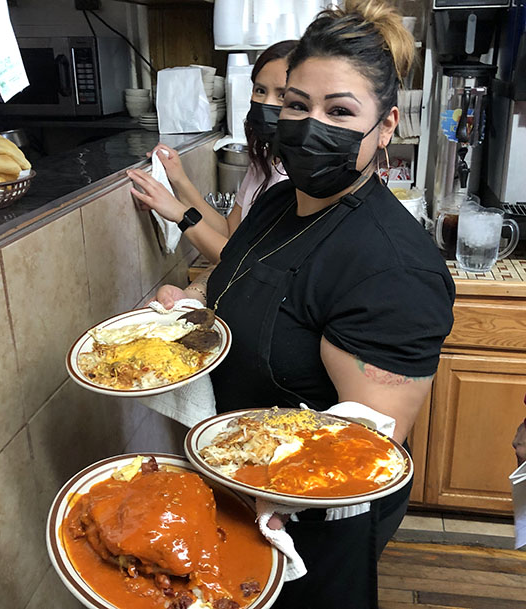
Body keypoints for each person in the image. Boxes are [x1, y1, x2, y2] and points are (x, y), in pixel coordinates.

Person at [153, 1, 455, 607]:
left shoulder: (392, 268)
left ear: (386, 126)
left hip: (310, 519)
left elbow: (366, 445)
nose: (310, 125)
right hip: (236, 480)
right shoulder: (277, 202)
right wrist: (191, 303)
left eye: (339, 111)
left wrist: (274, 491)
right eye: (296, 105)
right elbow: (234, 279)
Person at [128, 40, 296, 264]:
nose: (266, 103)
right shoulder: (264, 161)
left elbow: (242, 263)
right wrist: (179, 180)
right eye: (260, 90)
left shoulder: (296, 179)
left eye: (282, 95)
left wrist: (179, 214)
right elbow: (230, 233)